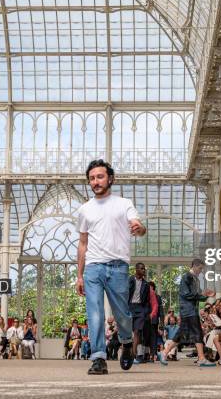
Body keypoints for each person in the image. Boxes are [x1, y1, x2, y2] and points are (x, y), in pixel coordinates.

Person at [75, 159, 146, 375]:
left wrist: (139, 228)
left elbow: (140, 228)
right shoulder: (85, 209)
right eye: (92, 178)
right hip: (94, 267)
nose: (95, 182)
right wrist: (79, 275)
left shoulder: (124, 204)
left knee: (122, 313)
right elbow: (83, 243)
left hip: (118, 267)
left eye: (99, 177)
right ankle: (98, 358)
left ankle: (126, 343)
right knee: (94, 313)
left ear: (110, 179)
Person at [157, 258, 216, 367]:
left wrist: (205, 294)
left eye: (202, 269)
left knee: (181, 334)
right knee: (197, 331)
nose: (201, 271)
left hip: (190, 310)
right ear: (194, 266)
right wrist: (203, 295)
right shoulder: (187, 277)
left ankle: (164, 352)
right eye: (200, 268)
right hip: (188, 310)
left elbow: (197, 295)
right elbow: (186, 294)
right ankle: (201, 358)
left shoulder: (195, 279)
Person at [128, 262, 151, 363]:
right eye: (142, 268)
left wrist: (145, 311)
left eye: (144, 269)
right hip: (129, 307)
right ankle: (127, 353)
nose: (143, 270)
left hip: (140, 309)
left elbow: (147, 300)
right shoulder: (129, 280)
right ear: (136, 270)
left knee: (137, 332)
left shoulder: (146, 284)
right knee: (128, 333)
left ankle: (133, 355)